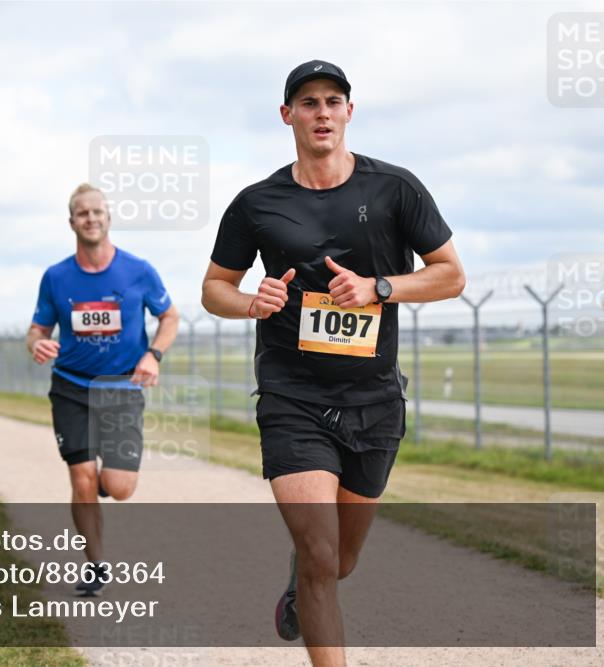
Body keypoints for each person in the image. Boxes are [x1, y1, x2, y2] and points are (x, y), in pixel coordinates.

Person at [200, 61, 465, 664]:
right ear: (287, 114)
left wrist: (381, 289)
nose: (322, 112)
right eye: (309, 102)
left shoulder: (395, 189)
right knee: (322, 554)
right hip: (293, 397)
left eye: (333, 101)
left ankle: (303, 579)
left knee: (338, 561)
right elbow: (214, 288)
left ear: (349, 111)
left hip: (373, 402)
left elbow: (451, 275)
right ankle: (310, 574)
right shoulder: (257, 203)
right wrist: (250, 302)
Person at [27, 183, 179, 596]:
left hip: (122, 388)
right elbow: (38, 327)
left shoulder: (138, 271)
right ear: (71, 221)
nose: (90, 218)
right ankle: (95, 564)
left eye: (97, 211)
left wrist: (153, 356)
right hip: (71, 387)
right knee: (80, 478)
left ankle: (93, 488)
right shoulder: (57, 277)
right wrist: (36, 341)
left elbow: (169, 317)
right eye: (82, 213)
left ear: (108, 217)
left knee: (120, 487)